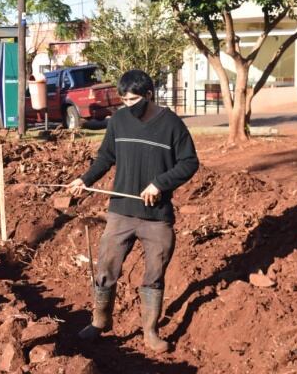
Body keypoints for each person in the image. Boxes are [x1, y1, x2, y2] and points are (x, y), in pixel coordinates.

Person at [67, 70, 199, 353]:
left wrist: (159, 184)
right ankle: (100, 321)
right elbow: (106, 157)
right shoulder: (118, 121)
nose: (127, 104)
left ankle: (150, 331)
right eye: (123, 99)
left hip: (157, 216)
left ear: (149, 95)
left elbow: (189, 163)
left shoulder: (172, 125)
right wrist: (85, 179)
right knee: (106, 268)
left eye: (133, 99)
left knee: (154, 273)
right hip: (121, 212)